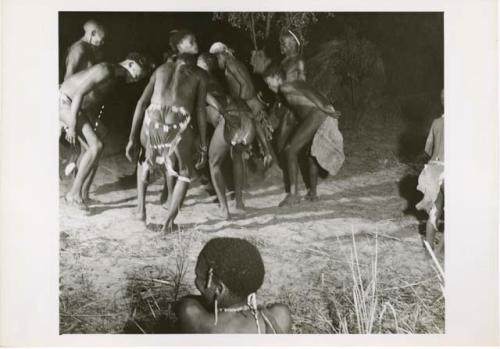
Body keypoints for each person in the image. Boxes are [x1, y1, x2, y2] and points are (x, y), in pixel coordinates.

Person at [126, 32, 208, 231]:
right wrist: (203, 143)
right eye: (191, 41)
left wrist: (132, 138)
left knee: (144, 162)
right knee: (185, 171)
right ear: (179, 46)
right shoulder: (199, 74)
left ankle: (140, 211)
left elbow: (142, 102)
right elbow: (200, 110)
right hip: (176, 123)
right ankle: (168, 224)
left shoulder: (161, 69)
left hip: (150, 121)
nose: (196, 42)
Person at [59, 53, 151, 209]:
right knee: (96, 146)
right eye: (138, 74)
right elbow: (79, 93)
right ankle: (72, 195)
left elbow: (90, 99)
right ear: (130, 64)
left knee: (100, 139)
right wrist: (73, 124)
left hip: (75, 106)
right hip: (64, 101)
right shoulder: (105, 69)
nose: (136, 79)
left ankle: (83, 194)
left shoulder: (113, 75)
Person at [263, 65, 344, 206]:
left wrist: (323, 107)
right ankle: (312, 193)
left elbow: (307, 92)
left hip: (318, 114)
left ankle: (293, 195)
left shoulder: (284, 86)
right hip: (322, 113)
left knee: (291, 150)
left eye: (269, 83)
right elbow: (310, 92)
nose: (269, 87)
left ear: (277, 77)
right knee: (311, 153)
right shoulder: (293, 84)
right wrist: (326, 107)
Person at [175, 237, 292, 333]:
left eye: (199, 277)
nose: (196, 283)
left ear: (219, 289)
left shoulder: (196, 317)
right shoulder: (280, 316)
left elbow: (189, 303)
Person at [197, 53, 256, 218]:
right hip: (247, 117)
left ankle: (224, 209)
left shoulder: (199, 82)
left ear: (201, 65)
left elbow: (205, 108)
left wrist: (203, 145)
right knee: (237, 156)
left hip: (229, 120)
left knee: (213, 163)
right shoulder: (218, 82)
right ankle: (239, 203)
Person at [209, 42, 274, 174]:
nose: (217, 62)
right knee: (256, 127)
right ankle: (266, 154)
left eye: (217, 58)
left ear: (222, 55)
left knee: (248, 132)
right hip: (249, 101)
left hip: (248, 102)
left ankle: (266, 155)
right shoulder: (234, 62)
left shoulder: (231, 64)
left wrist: (239, 102)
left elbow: (244, 84)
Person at [62, 19, 107, 182]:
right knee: (92, 147)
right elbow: (68, 79)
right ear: (93, 33)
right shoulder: (78, 49)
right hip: (72, 103)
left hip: (82, 104)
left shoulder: (89, 49)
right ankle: (75, 191)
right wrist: (74, 113)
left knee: (93, 144)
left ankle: (77, 186)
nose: (103, 41)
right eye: (102, 37)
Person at [416, 89, 444, 252]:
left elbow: (428, 149)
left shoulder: (436, 122)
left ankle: (429, 252)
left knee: (435, 210)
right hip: (449, 169)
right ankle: (440, 251)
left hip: (433, 170)